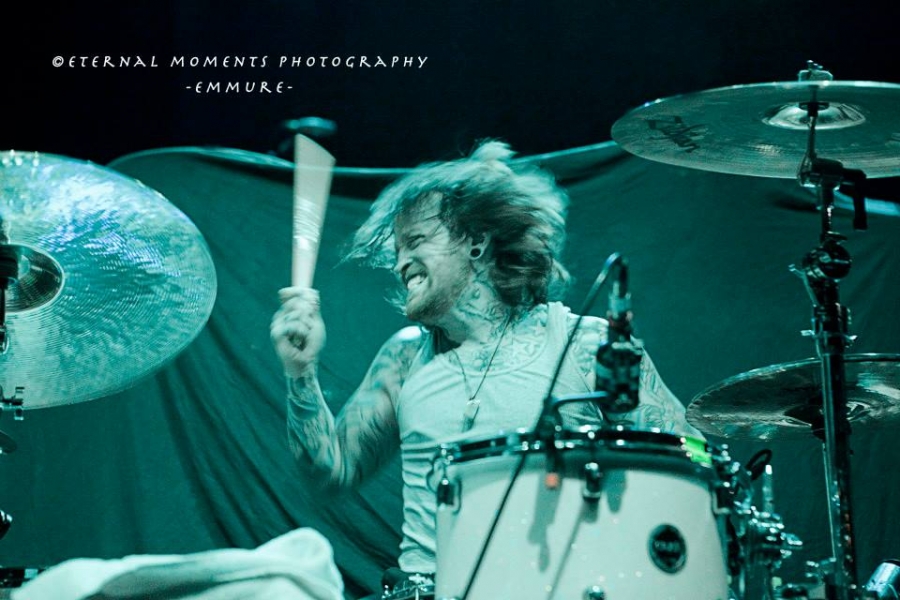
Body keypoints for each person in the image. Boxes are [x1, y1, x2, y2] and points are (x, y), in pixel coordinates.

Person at [270, 140, 702, 592]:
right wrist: (300, 372)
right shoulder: (403, 358)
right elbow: (331, 471)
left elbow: (691, 460)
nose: (400, 263)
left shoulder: (585, 343)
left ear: (476, 242)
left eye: (415, 242)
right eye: (397, 250)